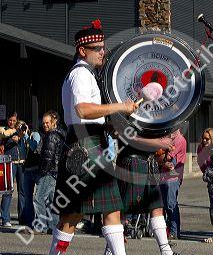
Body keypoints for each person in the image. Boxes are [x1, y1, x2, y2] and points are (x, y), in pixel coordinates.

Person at [49, 19, 138, 255]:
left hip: (91, 143)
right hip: (85, 146)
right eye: (97, 48)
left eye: (103, 47)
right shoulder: (80, 74)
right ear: (82, 50)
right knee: (73, 216)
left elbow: (91, 114)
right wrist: (120, 107)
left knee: (109, 209)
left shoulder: (86, 74)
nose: (103, 52)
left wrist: (110, 125)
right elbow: (83, 110)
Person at [116, 128, 182, 255]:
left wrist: (163, 154)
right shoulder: (125, 112)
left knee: (157, 207)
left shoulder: (148, 114)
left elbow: (151, 148)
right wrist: (159, 143)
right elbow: (126, 136)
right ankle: (110, 250)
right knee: (122, 211)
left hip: (148, 164)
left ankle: (166, 251)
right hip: (131, 162)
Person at [33, 110, 66, 234]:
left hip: (48, 171)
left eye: (47, 122)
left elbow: (48, 157)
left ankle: (40, 227)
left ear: (54, 122)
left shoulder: (51, 136)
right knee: (52, 201)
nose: (45, 125)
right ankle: (54, 226)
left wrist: (41, 173)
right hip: (56, 172)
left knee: (39, 198)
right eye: (43, 123)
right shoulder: (60, 134)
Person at [0, 112, 25, 227]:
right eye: (10, 120)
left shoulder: (21, 130)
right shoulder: (2, 130)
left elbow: (26, 137)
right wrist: (15, 133)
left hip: (22, 163)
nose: (12, 122)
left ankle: (23, 218)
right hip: (10, 162)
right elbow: (3, 135)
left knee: (23, 191)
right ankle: (5, 219)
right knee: (8, 190)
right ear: (7, 121)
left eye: (14, 121)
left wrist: (20, 136)